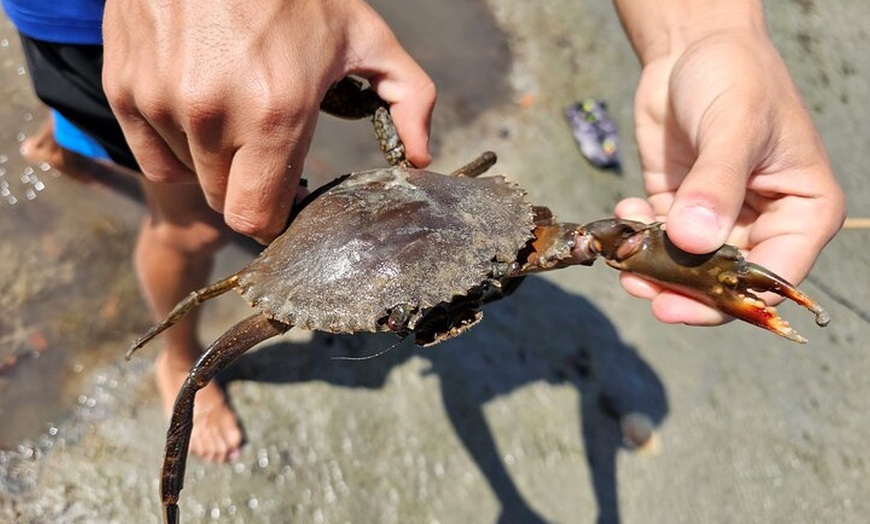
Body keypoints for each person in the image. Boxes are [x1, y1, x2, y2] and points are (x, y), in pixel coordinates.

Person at [4, 0, 845, 464]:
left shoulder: (481, 213)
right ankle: (175, 355)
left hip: (299, 34)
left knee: (224, 175)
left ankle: (66, 144)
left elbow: (605, 238)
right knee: (188, 222)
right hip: (105, 21)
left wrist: (705, 34)